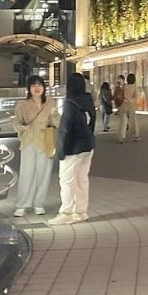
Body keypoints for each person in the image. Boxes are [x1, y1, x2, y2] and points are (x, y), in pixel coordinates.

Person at [50, 72, 96, 226]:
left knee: (67, 181)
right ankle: (81, 211)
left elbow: (64, 130)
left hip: (73, 148)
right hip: (88, 145)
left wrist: (60, 151)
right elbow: (92, 122)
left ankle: (66, 213)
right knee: (82, 179)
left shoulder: (70, 104)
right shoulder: (88, 101)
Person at [12, 75, 60, 217]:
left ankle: (39, 204)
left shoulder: (50, 103)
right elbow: (16, 122)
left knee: (43, 174)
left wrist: (55, 115)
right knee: (26, 174)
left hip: (45, 142)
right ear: (29, 88)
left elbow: (57, 123)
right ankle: (22, 205)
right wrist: (23, 128)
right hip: (29, 141)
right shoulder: (23, 105)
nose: (37, 88)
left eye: (39, 85)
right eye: (33, 85)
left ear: (44, 87)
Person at [117, 72, 140, 143]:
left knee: (123, 122)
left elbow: (119, 95)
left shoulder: (124, 87)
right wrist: (131, 100)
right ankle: (136, 136)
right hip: (131, 106)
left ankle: (121, 138)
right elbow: (136, 97)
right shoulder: (134, 87)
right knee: (133, 121)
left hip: (124, 105)